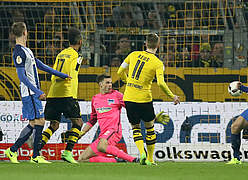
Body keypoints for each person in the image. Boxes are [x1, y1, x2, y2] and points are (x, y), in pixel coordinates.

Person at [5, 22, 69, 163]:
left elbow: (41, 66)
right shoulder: (18, 52)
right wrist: (37, 91)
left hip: (32, 92)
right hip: (30, 93)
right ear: (25, 32)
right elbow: (21, 76)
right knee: (39, 121)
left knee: (35, 122)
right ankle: (34, 156)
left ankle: (14, 151)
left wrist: (61, 75)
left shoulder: (27, 50)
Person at [117, 33, 180, 165]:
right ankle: (150, 159)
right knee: (149, 127)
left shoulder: (133, 55)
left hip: (129, 97)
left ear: (145, 43)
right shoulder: (158, 63)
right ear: (158, 45)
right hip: (144, 98)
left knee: (135, 128)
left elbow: (119, 72)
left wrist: (128, 81)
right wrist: (172, 96)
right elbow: (161, 83)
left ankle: (141, 153)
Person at [77, 74, 169, 163]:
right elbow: (93, 119)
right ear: (100, 84)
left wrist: (153, 118)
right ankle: (117, 160)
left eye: (111, 83)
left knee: (101, 146)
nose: (110, 85)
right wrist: (83, 133)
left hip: (114, 131)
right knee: (82, 158)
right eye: (107, 83)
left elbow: (133, 110)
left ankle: (132, 159)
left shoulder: (117, 95)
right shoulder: (95, 99)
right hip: (103, 135)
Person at [37, 27, 84, 163]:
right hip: (67, 94)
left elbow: (54, 73)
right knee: (78, 123)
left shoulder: (61, 54)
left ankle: (36, 151)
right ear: (80, 42)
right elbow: (69, 72)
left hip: (53, 93)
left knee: (54, 125)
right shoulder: (76, 56)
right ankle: (68, 152)